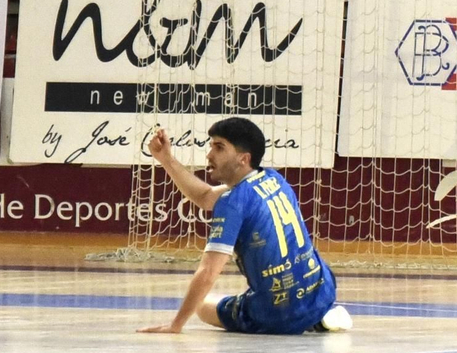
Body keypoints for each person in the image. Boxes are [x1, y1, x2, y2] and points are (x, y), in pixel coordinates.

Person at [138, 119, 353, 337]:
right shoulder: (273, 177)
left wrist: (176, 325)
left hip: (277, 314)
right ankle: (317, 317)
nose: (209, 154)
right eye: (211, 146)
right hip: (323, 291)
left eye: (219, 147)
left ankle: (298, 318)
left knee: (202, 306)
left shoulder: (233, 202)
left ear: (243, 158)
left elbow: (208, 272)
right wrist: (166, 159)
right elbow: (205, 197)